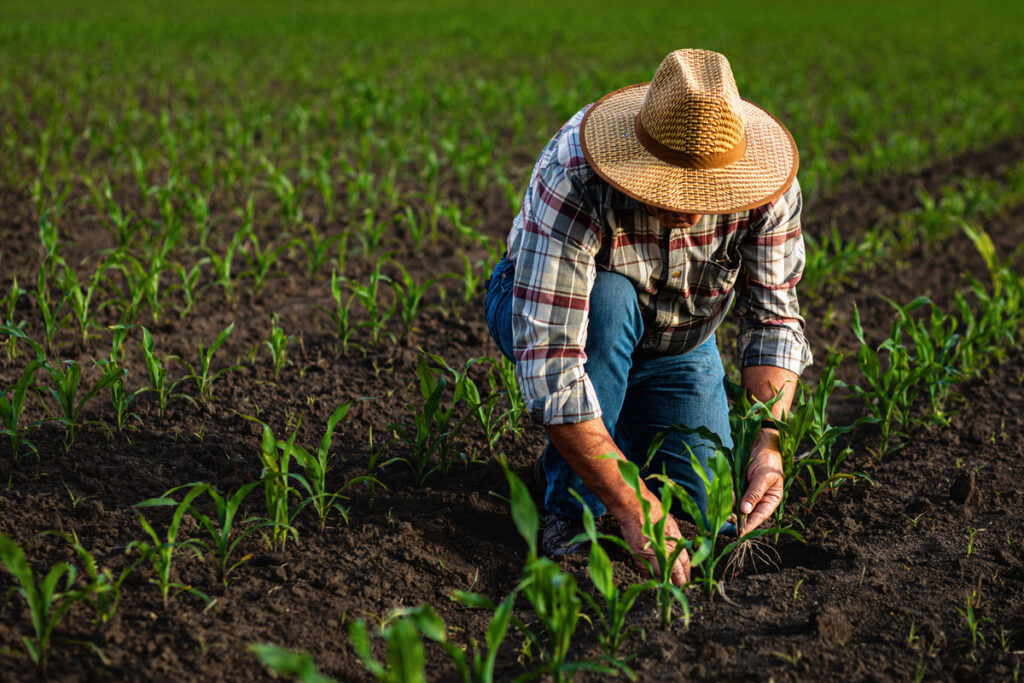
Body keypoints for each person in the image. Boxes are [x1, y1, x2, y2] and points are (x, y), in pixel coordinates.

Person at [484, 49, 811, 586]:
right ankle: (569, 507)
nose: (687, 205)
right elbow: (552, 364)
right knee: (609, 304)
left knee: (704, 508)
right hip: (561, 315)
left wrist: (768, 445)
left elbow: (773, 324)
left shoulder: (765, 188)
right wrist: (632, 507)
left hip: (679, 339)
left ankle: (593, 448)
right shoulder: (577, 174)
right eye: (669, 183)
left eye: (706, 189)